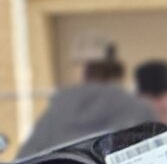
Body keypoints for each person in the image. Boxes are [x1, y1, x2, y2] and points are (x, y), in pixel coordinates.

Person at [15, 47, 147, 158]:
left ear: (86, 77)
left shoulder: (56, 114)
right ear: (119, 78)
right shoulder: (135, 112)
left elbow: (25, 158)